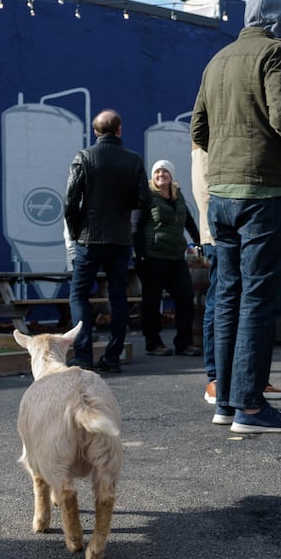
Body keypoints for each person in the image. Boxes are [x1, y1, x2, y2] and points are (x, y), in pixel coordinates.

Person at [189, 0, 281, 434]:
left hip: (221, 195)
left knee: (227, 296)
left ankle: (225, 400)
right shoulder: (278, 51)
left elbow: (198, 129)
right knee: (259, 300)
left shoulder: (217, 59)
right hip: (265, 193)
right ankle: (251, 408)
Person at [190, 144, 281, 413]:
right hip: (222, 224)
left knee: (237, 300)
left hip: (230, 218)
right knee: (222, 301)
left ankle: (246, 380)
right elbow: (204, 186)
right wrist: (214, 229)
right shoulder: (212, 140)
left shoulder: (224, 133)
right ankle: (217, 381)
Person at [63, 109, 152, 374]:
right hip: (120, 237)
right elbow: (145, 200)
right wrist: (124, 210)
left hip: (89, 238)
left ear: (95, 132)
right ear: (120, 130)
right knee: (118, 297)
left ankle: (83, 356)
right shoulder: (134, 160)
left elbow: (70, 201)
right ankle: (113, 356)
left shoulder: (84, 156)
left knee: (79, 295)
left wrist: (76, 228)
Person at [134, 159, 201, 356]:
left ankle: (184, 343)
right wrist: (140, 255)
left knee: (185, 298)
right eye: (157, 173)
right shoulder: (146, 197)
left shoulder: (177, 195)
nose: (160, 175)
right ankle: (153, 343)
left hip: (176, 256)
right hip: (153, 257)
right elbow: (135, 227)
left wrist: (199, 241)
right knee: (152, 302)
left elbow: (188, 221)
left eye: (164, 172)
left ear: (171, 176)